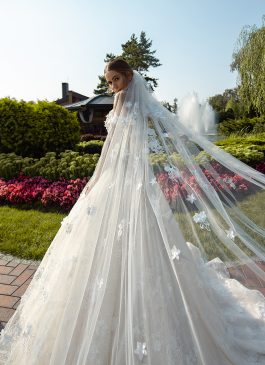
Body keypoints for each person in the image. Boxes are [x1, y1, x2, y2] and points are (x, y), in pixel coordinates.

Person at [0, 58, 265, 364]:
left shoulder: (138, 105)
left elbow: (143, 144)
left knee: (146, 245)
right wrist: (95, 181)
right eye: (108, 81)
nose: (110, 85)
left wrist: (135, 177)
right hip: (113, 180)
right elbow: (109, 149)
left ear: (127, 76)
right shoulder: (117, 100)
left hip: (135, 182)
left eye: (114, 79)